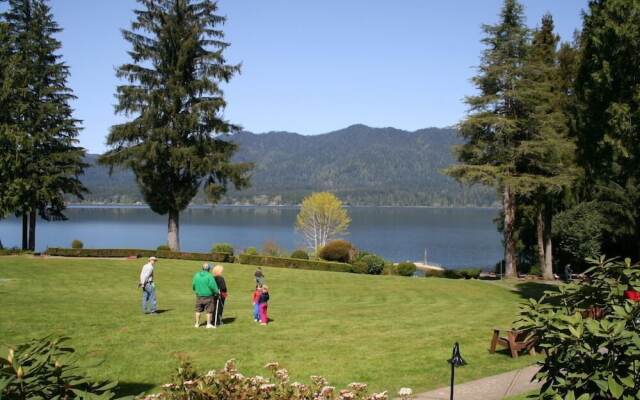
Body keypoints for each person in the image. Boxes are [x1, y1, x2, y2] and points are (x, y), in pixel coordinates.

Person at [192, 263, 219, 329]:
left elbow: (193, 284)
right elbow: (213, 286)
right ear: (209, 269)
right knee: (209, 311)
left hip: (199, 295)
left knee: (198, 310)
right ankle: (208, 324)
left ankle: (197, 324)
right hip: (208, 296)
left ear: (202, 268)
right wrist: (217, 292)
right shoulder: (209, 276)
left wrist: (196, 290)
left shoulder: (197, 275)